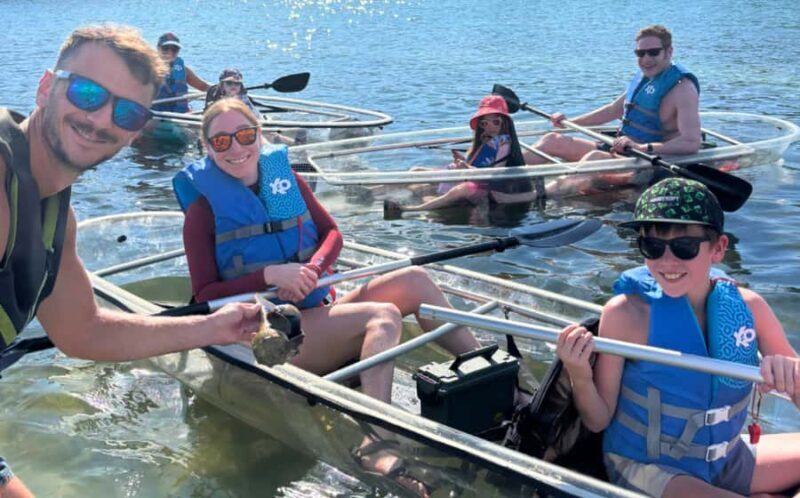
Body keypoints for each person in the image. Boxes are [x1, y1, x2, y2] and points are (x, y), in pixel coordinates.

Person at [0, 25, 266, 498]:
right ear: (46, 87)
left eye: (126, 112)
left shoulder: (55, 215)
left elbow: (84, 331)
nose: (101, 118)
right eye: (86, 93)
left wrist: (214, 327)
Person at [173, 98, 482, 496]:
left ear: (259, 134)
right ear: (207, 147)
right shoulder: (203, 211)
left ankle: (494, 379)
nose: (236, 148)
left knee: (415, 280)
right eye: (221, 141)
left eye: (245, 135)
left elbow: (332, 234)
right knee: (384, 316)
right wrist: (268, 274)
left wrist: (312, 270)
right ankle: (376, 440)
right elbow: (204, 294)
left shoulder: (283, 184)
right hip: (266, 336)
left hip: (314, 310)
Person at [555, 177, 800, 497]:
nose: (667, 261)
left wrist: (788, 371)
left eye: (684, 247)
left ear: (719, 249)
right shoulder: (627, 314)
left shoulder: (751, 308)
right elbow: (598, 419)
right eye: (652, 247)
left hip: (725, 458)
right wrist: (579, 373)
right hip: (650, 467)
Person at [529, 25, 702, 195]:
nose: (646, 59)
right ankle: (504, 170)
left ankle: (533, 196)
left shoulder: (683, 89)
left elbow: (691, 142)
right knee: (552, 140)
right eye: (640, 53)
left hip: (645, 163)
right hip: (620, 151)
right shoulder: (646, 79)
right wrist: (569, 123)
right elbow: (612, 110)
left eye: (653, 52)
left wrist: (642, 147)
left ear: (669, 51)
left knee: (594, 159)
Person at [383, 95, 537, 216]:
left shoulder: (504, 143)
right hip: (472, 176)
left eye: (495, 122)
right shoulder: (485, 142)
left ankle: (410, 210)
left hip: (493, 188)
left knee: (462, 189)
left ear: (505, 123)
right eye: (484, 123)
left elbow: (495, 175)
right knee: (417, 171)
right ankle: (373, 190)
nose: (489, 127)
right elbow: (477, 164)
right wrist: (462, 164)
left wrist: (466, 169)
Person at [151, 32, 211, 113]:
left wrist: (221, 89)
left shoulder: (183, 69)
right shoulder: (148, 69)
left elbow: (203, 86)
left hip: (181, 114)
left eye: (174, 49)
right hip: (157, 115)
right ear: (158, 48)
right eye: (165, 48)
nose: (170, 52)